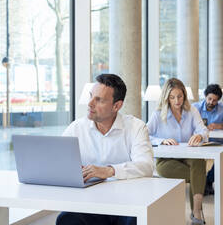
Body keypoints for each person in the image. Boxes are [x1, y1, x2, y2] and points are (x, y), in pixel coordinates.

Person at [56, 74, 154, 225]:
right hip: (90, 203)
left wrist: (109, 170)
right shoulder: (76, 128)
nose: (90, 104)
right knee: (65, 219)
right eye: (91, 96)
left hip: (127, 203)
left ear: (117, 106)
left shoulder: (136, 127)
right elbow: (58, 160)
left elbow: (146, 166)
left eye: (99, 100)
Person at [147, 78, 208, 225]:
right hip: (165, 161)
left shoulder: (192, 111)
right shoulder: (158, 114)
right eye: (172, 97)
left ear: (184, 96)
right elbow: (144, 135)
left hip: (189, 157)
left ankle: (197, 212)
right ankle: (197, 214)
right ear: (166, 97)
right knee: (198, 174)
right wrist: (161, 141)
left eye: (180, 96)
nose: (177, 101)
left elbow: (204, 130)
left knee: (199, 163)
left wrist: (200, 135)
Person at [193, 84, 223, 195]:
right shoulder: (195, 107)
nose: (211, 102)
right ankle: (200, 182)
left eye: (215, 100)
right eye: (209, 99)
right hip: (200, 143)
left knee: (218, 158)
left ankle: (208, 182)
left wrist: (219, 125)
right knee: (198, 159)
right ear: (205, 96)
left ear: (218, 100)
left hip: (217, 144)